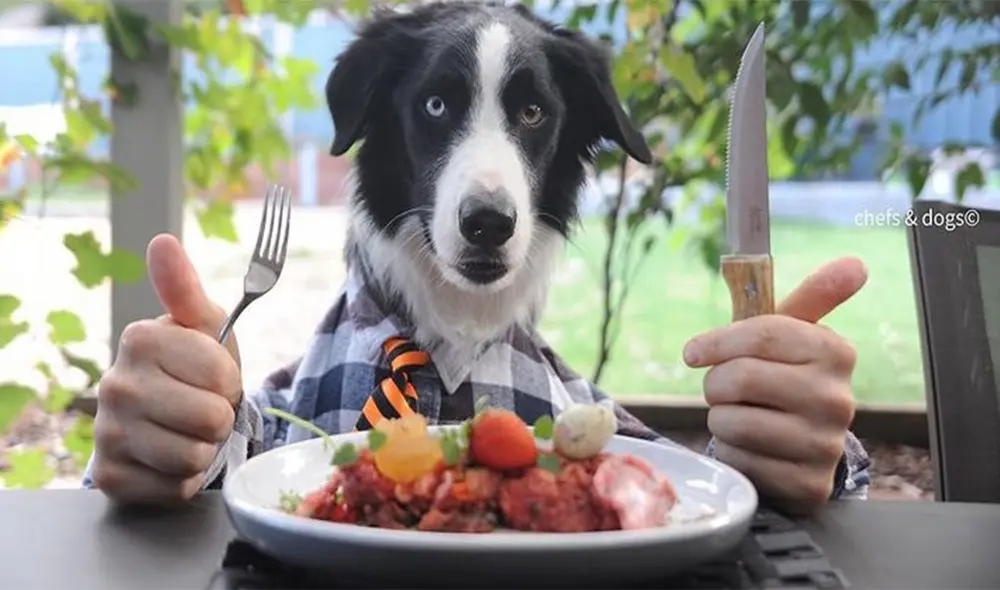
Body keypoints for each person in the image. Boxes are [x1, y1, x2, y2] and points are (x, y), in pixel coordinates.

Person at [82, 234, 870, 513]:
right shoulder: (277, 418)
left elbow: (692, 496)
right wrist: (170, 436)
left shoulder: (584, 433)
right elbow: (217, 459)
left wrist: (772, 450)